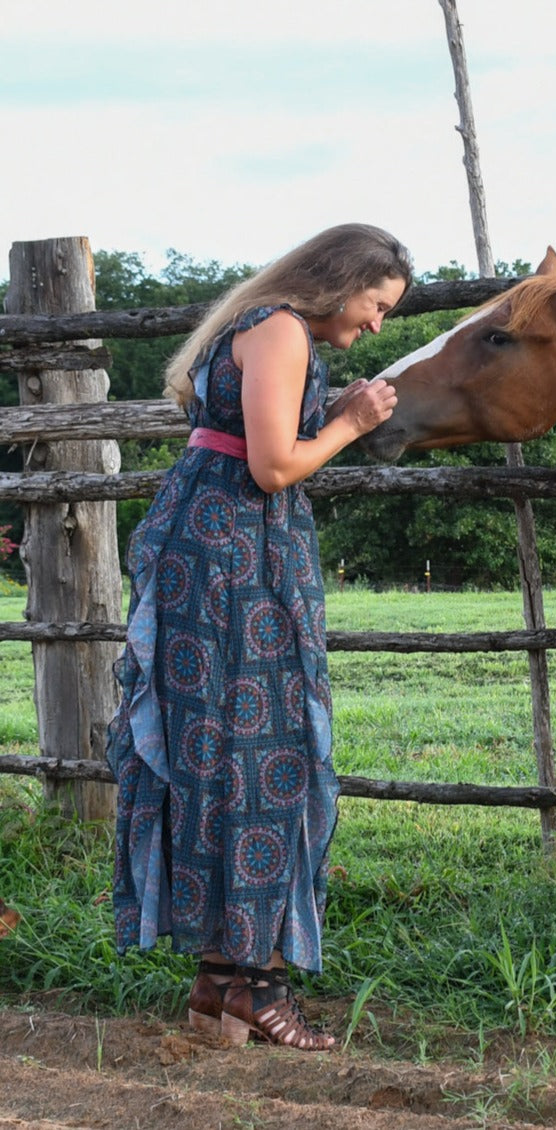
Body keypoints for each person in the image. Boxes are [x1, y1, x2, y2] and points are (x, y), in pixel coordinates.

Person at [106, 223, 412, 1050]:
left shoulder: (254, 325)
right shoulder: (280, 329)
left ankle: (218, 981)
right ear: (342, 281)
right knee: (257, 752)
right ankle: (257, 984)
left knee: (215, 753)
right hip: (235, 557)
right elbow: (274, 465)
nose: (378, 324)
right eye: (378, 304)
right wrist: (348, 422)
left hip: (215, 547)